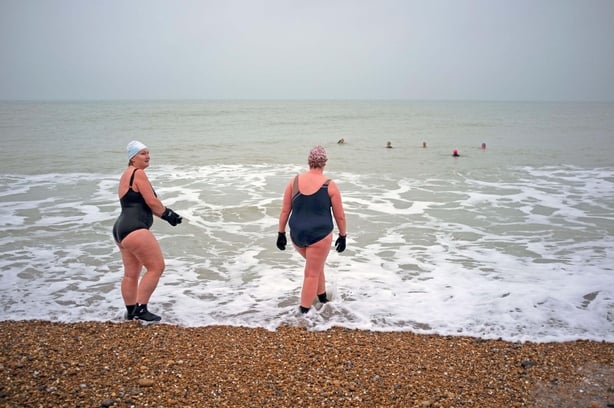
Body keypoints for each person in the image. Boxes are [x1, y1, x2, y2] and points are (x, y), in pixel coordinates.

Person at [112, 140, 183, 322]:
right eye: (143, 153)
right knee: (156, 267)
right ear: (132, 158)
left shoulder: (126, 174)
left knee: (130, 274)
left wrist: (166, 215)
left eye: (148, 152)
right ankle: (141, 309)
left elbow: (141, 204)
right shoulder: (139, 173)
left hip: (121, 230)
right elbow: (152, 202)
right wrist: (168, 214)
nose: (147, 156)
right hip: (135, 229)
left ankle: (131, 312)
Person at [277, 145, 347, 314]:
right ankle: (304, 312)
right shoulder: (330, 185)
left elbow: (285, 210)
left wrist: (281, 233)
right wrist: (343, 235)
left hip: (297, 236)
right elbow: (340, 216)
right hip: (319, 235)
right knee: (311, 274)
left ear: (309, 162)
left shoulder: (293, 182)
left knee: (315, 266)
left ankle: (322, 297)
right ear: (324, 163)